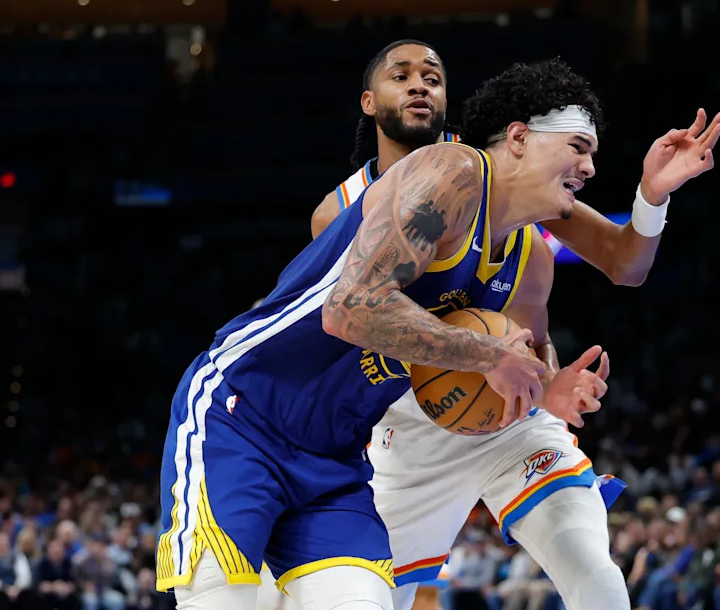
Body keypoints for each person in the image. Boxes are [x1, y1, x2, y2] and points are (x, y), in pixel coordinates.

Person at [156, 55, 615, 609]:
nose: (590, 168)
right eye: (578, 147)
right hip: (242, 416)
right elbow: (350, 308)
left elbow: (613, 272)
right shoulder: (453, 172)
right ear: (518, 138)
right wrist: (489, 355)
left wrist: (544, 388)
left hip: (336, 456)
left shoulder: (518, 254)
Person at [309, 40, 720, 610]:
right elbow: (346, 324)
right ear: (368, 101)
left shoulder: (509, 194)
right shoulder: (341, 212)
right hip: (409, 425)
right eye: (400, 76)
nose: (419, 85)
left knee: (594, 573)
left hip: (509, 417)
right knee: (366, 598)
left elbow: (616, 269)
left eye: (432, 76)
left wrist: (651, 197)